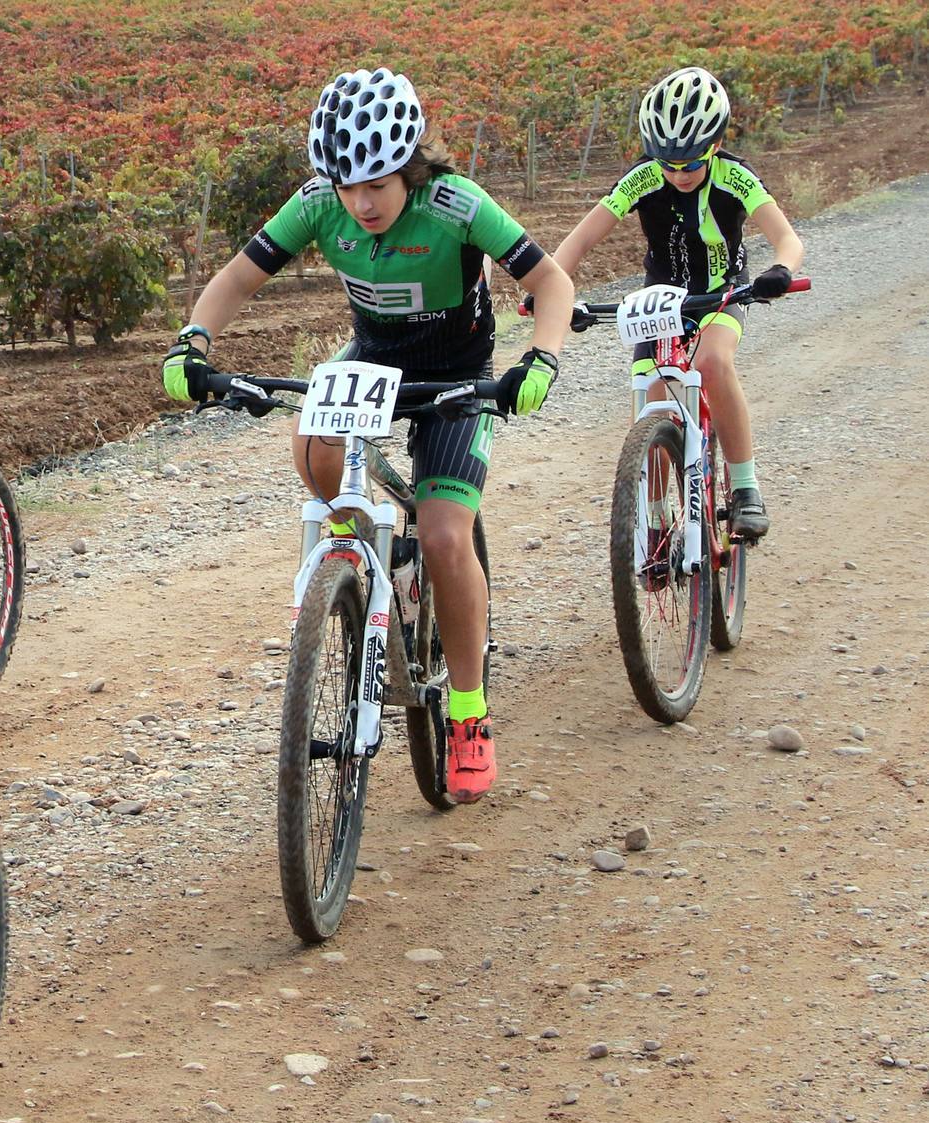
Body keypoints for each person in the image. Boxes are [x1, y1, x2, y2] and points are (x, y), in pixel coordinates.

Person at [162, 68, 576, 803]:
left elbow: (551, 280)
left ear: (411, 165)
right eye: (348, 186)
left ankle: (470, 713)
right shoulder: (319, 203)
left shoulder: (456, 205)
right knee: (309, 443)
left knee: (448, 537)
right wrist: (192, 340)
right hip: (374, 362)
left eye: (379, 184)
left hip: (457, 373)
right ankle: (364, 578)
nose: (362, 202)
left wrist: (540, 356)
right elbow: (234, 281)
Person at [547, 66, 804, 539]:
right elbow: (579, 242)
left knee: (711, 362)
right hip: (659, 301)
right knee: (650, 400)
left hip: (723, 291)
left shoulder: (736, 176)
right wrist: (549, 288)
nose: (678, 173)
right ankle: (655, 525)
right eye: (668, 163)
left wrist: (780, 271)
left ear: (713, 146)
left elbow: (786, 239)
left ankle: (746, 488)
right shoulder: (641, 179)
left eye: (690, 163)